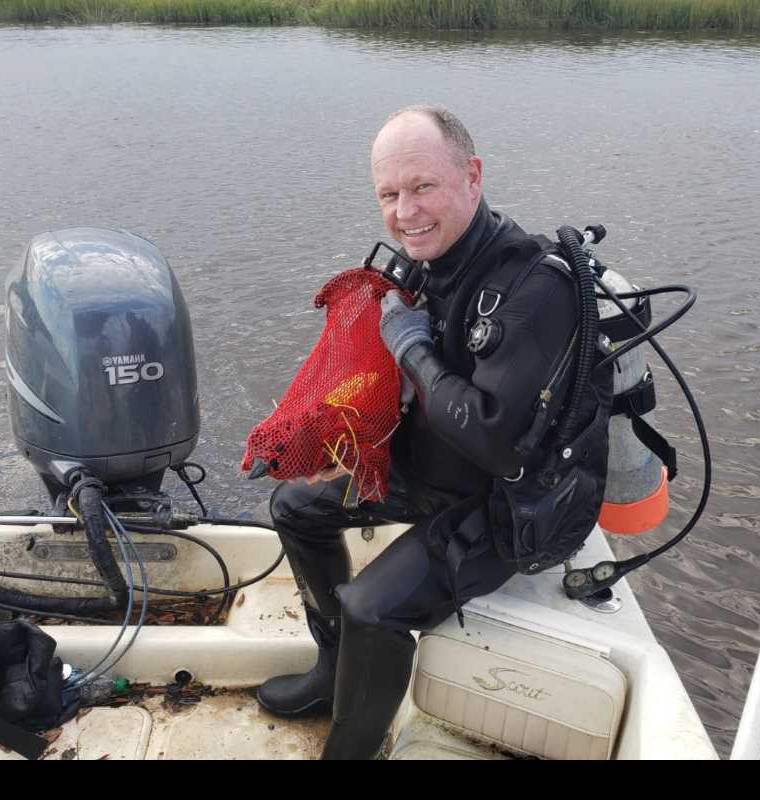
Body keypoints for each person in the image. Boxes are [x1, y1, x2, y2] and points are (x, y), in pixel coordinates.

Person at [255, 105, 610, 760]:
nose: (405, 211)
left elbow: (495, 441)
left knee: (370, 606)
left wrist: (412, 348)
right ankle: (332, 673)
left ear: (471, 177)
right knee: (293, 507)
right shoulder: (430, 267)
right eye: (389, 194)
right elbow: (386, 390)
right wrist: (313, 429)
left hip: (506, 507)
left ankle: (352, 748)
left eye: (422, 187)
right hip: (433, 469)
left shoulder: (535, 288)